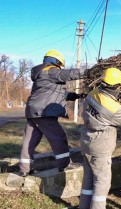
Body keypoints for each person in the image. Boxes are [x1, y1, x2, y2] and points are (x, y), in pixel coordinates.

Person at [79, 67, 121, 209]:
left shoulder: (92, 94)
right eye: (120, 85)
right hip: (100, 147)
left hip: (86, 140)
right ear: (115, 86)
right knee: (102, 183)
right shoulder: (112, 108)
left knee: (88, 180)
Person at [19, 49, 86, 177]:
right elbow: (69, 74)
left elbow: (54, 93)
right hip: (43, 112)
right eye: (59, 65)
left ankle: (24, 168)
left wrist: (75, 96)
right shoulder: (51, 71)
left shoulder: (41, 74)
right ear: (56, 62)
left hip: (33, 111)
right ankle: (65, 164)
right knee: (58, 137)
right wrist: (89, 72)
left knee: (30, 141)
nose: (60, 68)